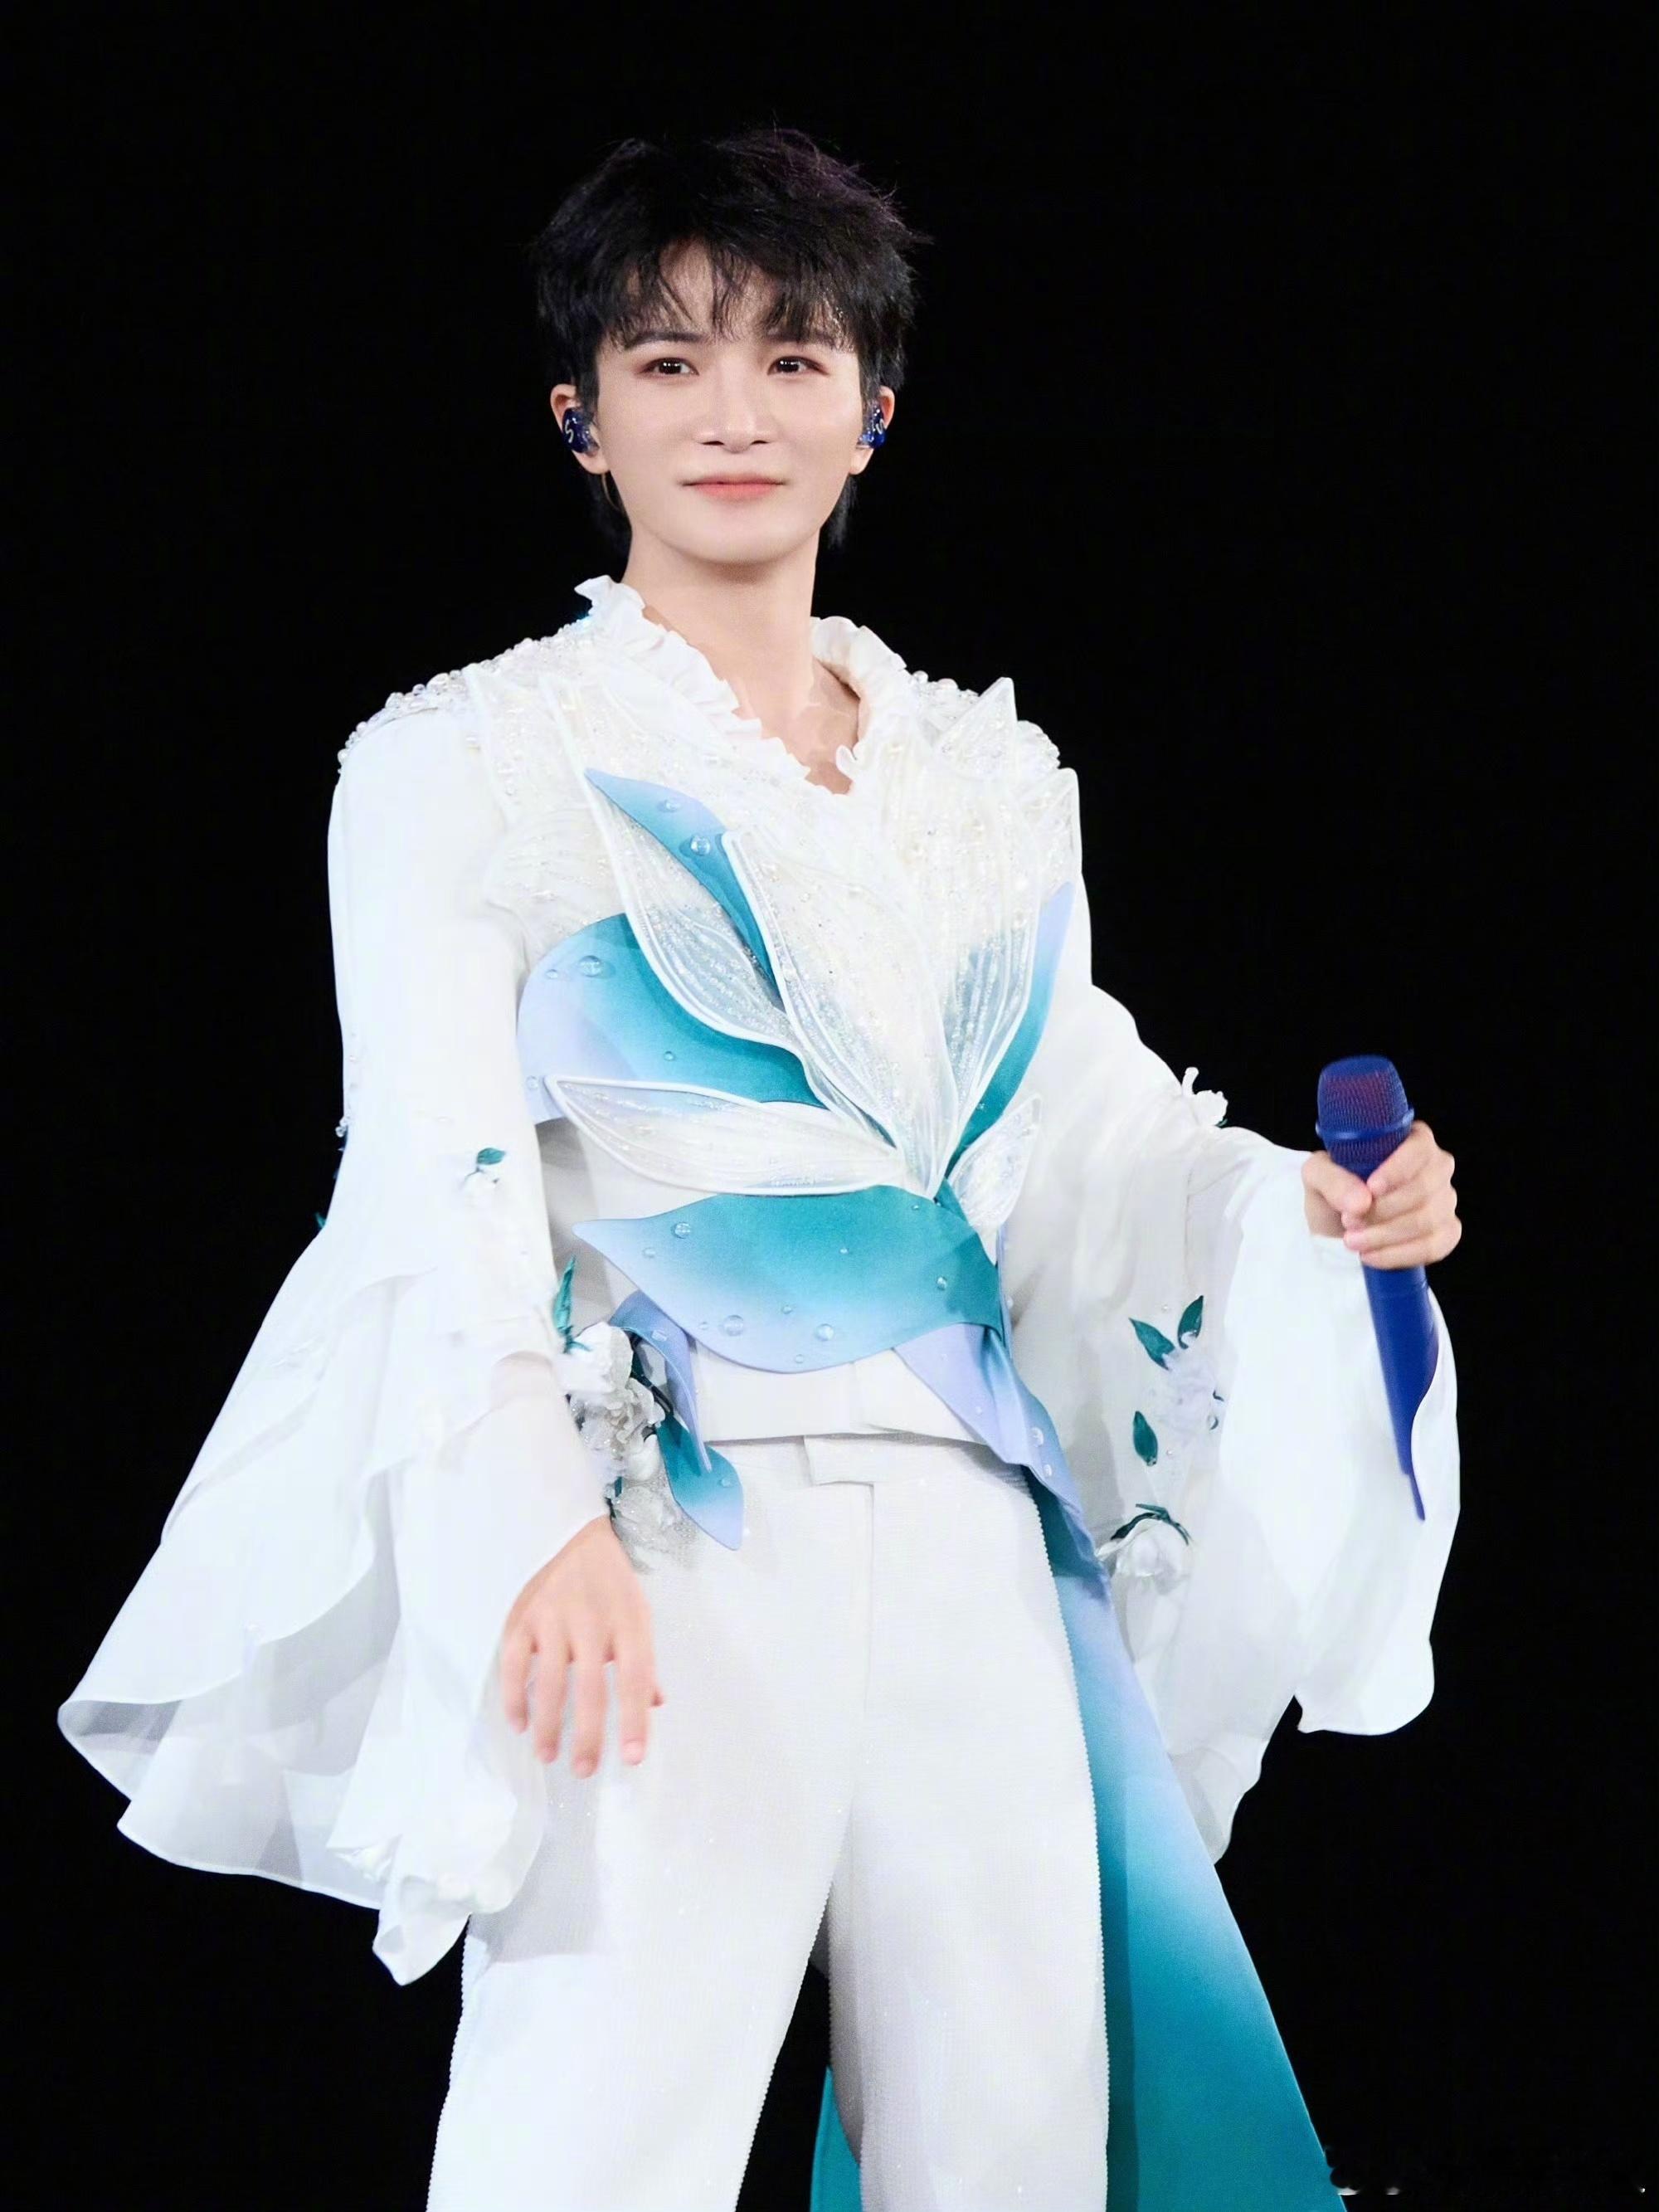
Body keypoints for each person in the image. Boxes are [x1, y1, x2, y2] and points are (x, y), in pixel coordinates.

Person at [57, 128, 1463, 2212]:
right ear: (583, 417)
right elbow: (432, 1176)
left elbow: (1094, 1141)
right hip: (666, 1536)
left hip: (977, 1541)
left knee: (1012, 2144)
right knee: (587, 2140)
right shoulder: (463, 760)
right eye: (669, 361)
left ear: (872, 411)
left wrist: (1315, 1208)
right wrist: (529, 1522)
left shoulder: (987, 779)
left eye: (794, 359)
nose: (734, 413)